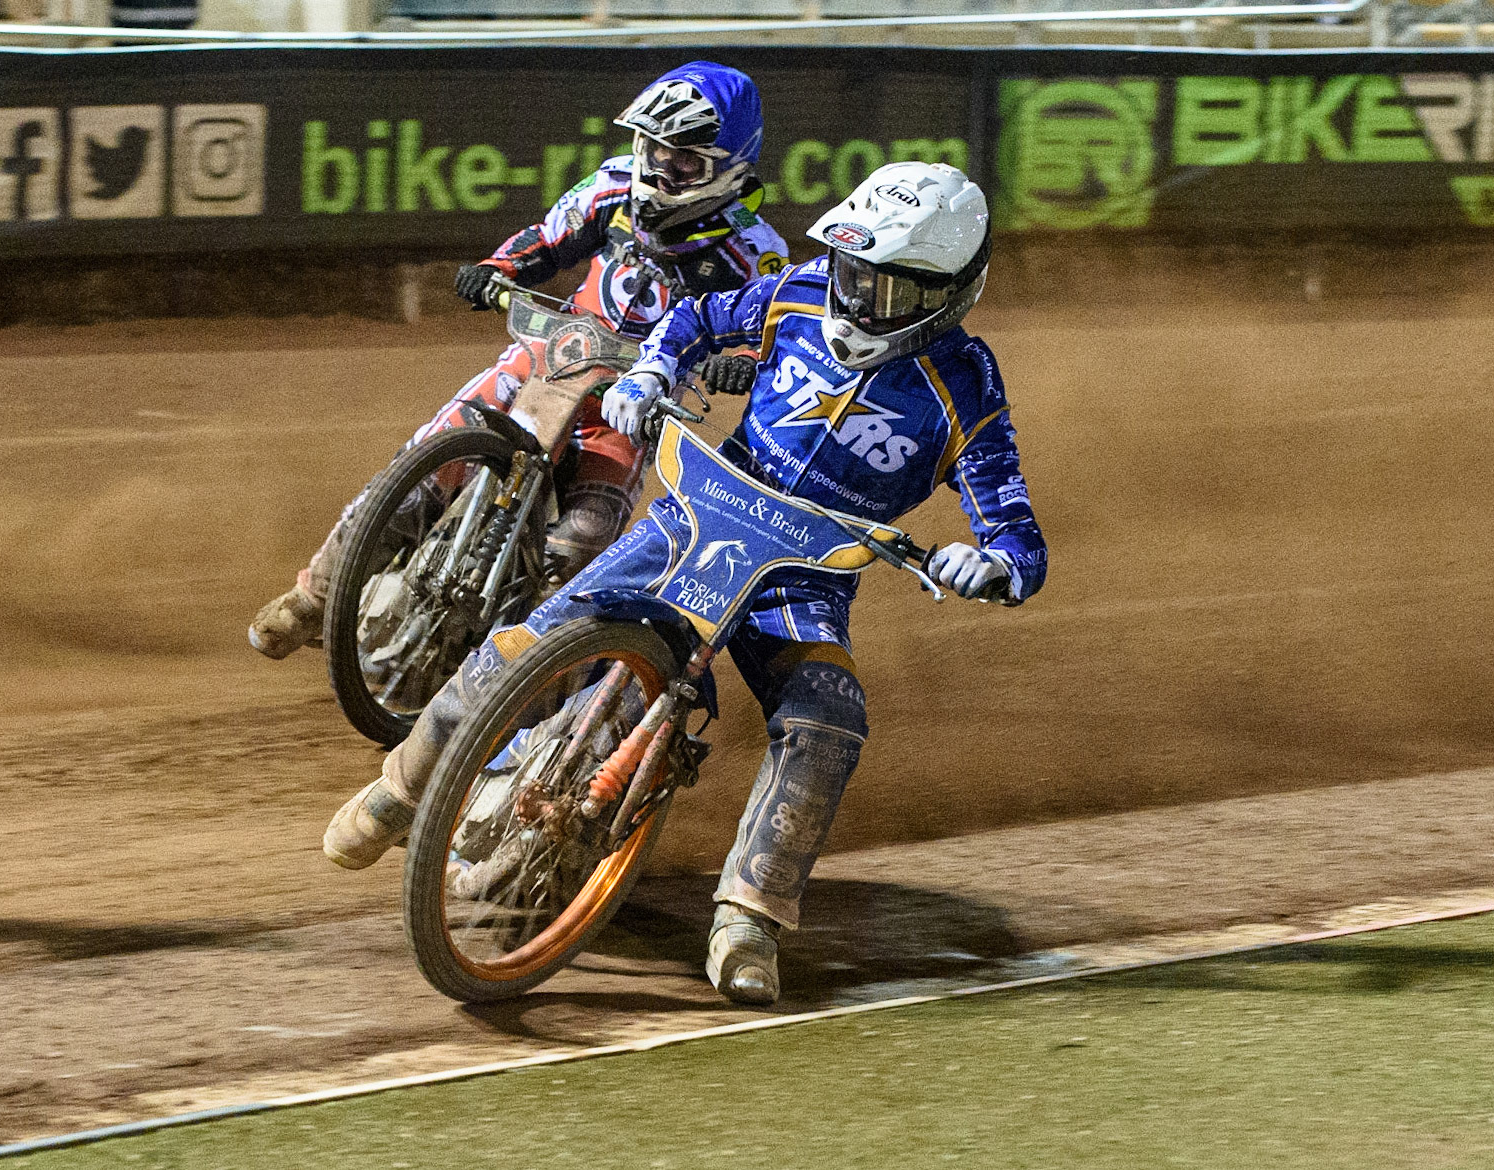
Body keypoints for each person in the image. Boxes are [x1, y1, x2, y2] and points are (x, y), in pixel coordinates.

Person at [322, 161, 1047, 1007]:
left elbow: (1016, 531)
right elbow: (696, 319)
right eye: (852, 270)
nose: (855, 296)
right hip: (700, 514)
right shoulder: (800, 290)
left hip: (803, 580)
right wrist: (650, 374)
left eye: (884, 286)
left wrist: (991, 563)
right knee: (536, 634)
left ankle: (749, 918)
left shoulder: (968, 383)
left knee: (828, 717)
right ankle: (399, 788)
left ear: (947, 293)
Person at [248, 61, 787, 658]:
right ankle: (315, 600)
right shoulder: (612, 188)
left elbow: (764, 329)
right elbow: (549, 237)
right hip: (548, 356)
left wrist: (738, 359)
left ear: (733, 165)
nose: (662, 170)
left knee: (582, 541)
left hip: (634, 404)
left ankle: (515, 673)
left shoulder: (753, 251)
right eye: (654, 150)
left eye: (686, 161)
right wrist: (497, 270)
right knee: (419, 472)